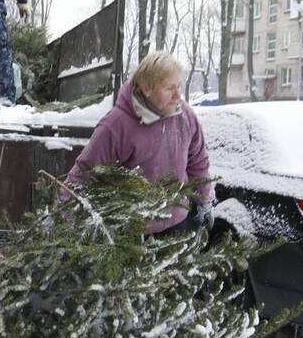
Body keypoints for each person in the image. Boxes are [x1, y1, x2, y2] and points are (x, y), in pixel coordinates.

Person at [65, 52, 214, 234]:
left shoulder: (186, 116)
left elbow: (198, 162)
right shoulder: (116, 126)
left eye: (179, 87)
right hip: (133, 233)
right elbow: (84, 174)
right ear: (146, 89)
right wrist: (63, 218)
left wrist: (204, 198)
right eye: (169, 88)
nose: (177, 96)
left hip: (178, 224)